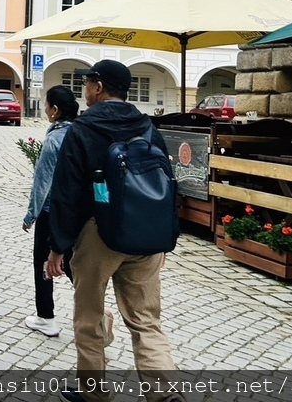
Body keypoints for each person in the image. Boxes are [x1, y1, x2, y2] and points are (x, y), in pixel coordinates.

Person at [45, 60, 182, 402]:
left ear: (100, 87)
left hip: (98, 234)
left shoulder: (83, 128)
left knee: (89, 318)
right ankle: (166, 395)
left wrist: (57, 246)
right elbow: (165, 181)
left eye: (88, 82)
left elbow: (67, 192)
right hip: (145, 233)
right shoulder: (147, 126)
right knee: (146, 321)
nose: (85, 89)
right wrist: (162, 238)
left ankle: (93, 394)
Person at [21, 85, 79, 338]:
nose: (44, 109)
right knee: (73, 263)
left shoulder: (54, 140)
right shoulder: (81, 136)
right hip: (77, 211)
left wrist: (30, 215)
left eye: (47, 105)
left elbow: (42, 182)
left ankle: (46, 317)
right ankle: (94, 309)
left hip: (50, 211)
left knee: (42, 263)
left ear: (55, 110)